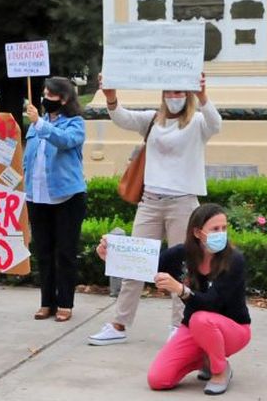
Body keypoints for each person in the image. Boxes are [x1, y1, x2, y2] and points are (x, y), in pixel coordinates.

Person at [88, 75, 222, 346]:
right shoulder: (153, 120)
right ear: (163, 94)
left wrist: (204, 95)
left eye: (180, 92)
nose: (174, 97)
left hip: (182, 202)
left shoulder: (196, 123)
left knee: (184, 267)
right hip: (150, 201)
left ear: (188, 94)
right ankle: (120, 323)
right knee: (135, 262)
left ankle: (180, 324)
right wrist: (111, 96)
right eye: (170, 92)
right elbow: (122, 118)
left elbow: (216, 124)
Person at [112, 203, 251, 394]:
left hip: (233, 329)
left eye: (224, 228)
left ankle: (219, 370)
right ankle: (205, 359)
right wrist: (111, 256)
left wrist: (180, 289)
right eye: (215, 229)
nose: (221, 233)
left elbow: (212, 303)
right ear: (197, 232)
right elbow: (146, 266)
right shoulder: (182, 254)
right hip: (195, 328)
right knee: (158, 379)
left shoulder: (234, 260)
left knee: (201, 318)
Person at [23, 76, 87, 322]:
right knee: (44, 251)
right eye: (44, 94)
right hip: (37, 197)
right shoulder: (34, 125)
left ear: (64, 98)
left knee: (65, 252)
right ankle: (46, 302)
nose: (45, 99)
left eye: (51, 95)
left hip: (67, 197)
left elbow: (65, 141)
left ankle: (65, 303)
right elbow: (30, 158)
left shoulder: (75, 123)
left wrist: (40, 123)